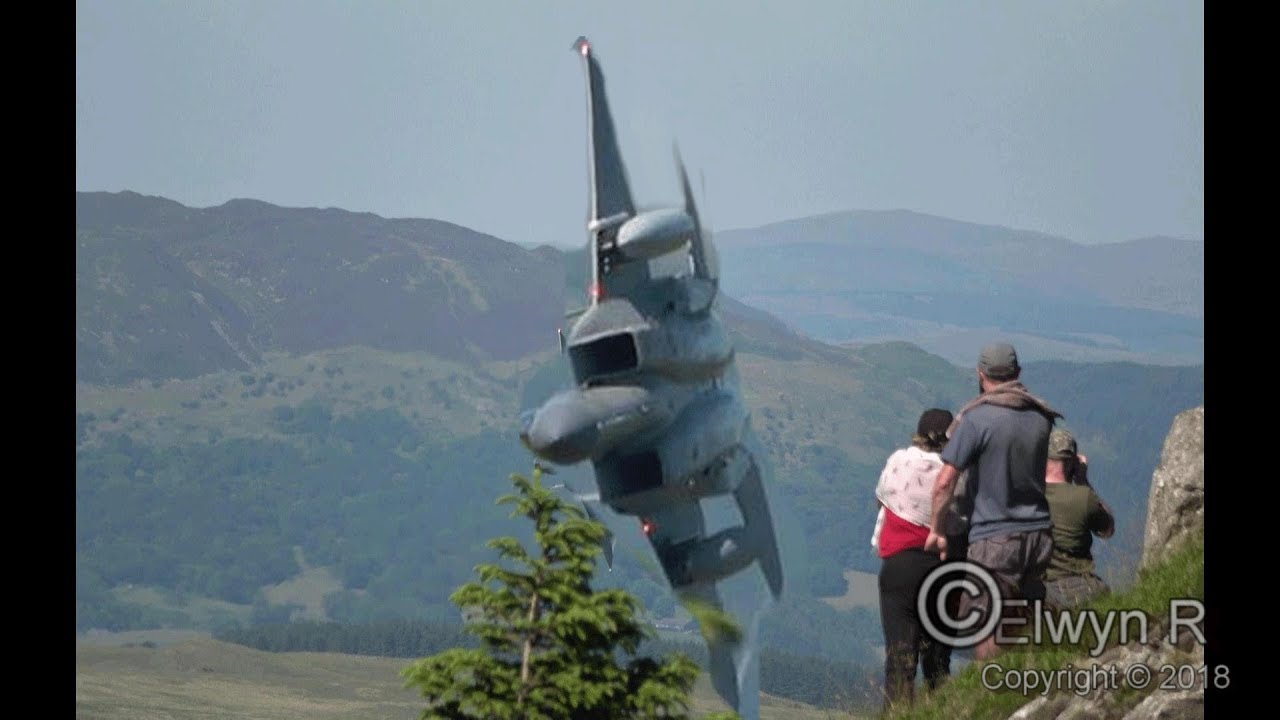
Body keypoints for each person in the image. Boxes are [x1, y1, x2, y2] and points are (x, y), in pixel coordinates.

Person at [924, 342, 1061, 660]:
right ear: (1018, 373)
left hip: (995, 536)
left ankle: (993, 692)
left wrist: (937, 530)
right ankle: (1023, 690)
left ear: (980, 374)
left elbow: (945, 482)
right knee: (1022, 621)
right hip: (1039, 535)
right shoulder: (1042, 418)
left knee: (988, 622)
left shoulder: (976, 419)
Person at [872, 408, 955, 710]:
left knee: (900, 656)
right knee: (937, 660)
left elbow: (881, 499)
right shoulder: (955, 472)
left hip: (899, 566)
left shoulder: (898, 462)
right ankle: (945, 713)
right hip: (941, 567)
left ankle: (897, 714)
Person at [1042, 428, 1115, 610]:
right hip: (1084, 589)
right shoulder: (1084, 497)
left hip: (1044, 591)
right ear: (1073, 463)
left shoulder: (1029, 497)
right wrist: (1083, 480)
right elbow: (1107, 529)